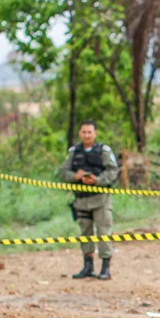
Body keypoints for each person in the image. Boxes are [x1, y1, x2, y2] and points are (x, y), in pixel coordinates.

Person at [59, 120, 119, 281]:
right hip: (81, 200)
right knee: (85, 233)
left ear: (95, 133)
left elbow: (113, 171)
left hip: (100, 199)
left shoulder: (104, 151)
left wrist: (97, 180)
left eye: (89, 132)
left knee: (103, 232)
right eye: (84, 132)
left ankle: (105, 268)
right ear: (80, 133)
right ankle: (88, 266)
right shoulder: (74, 152)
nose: (86, 135)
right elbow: (63, 172)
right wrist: (75, 177)